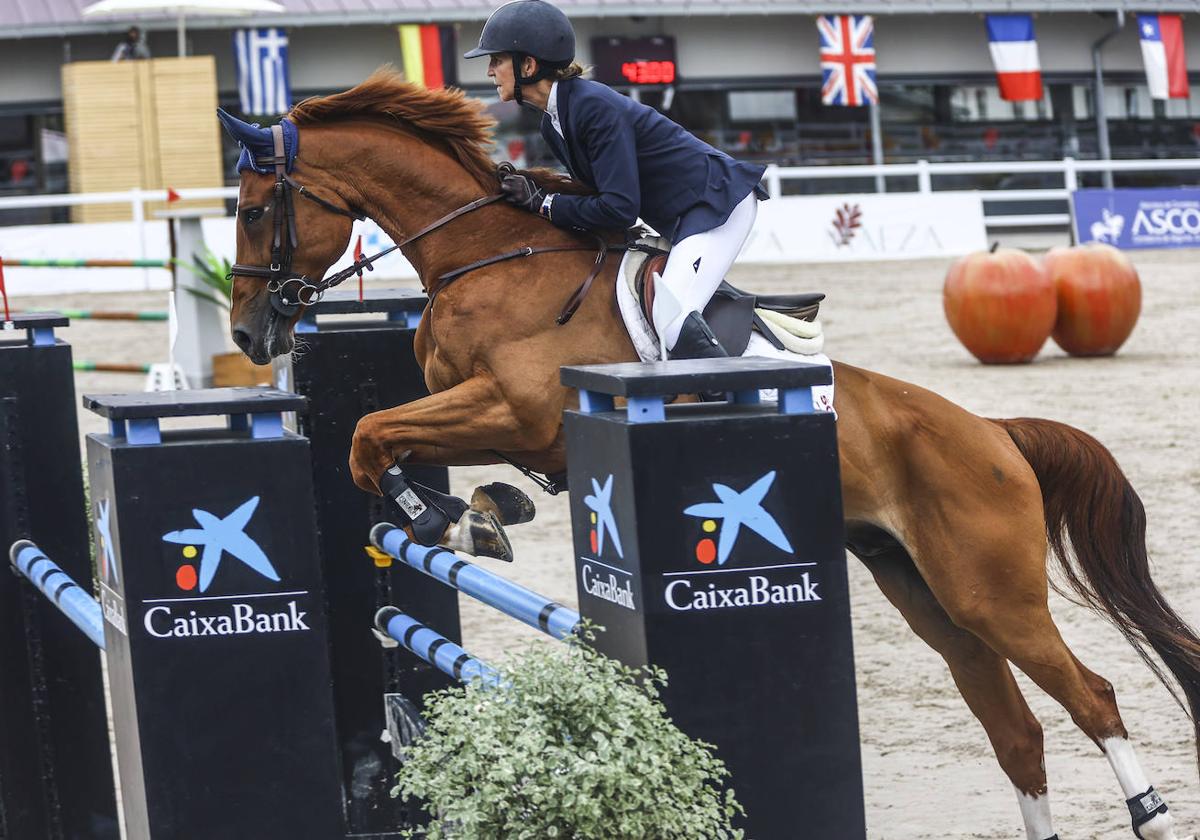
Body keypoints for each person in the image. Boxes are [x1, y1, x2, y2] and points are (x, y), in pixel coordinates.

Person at [465, 0, 768, 360]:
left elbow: (620, 208)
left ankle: (743, 407)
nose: (489, 71)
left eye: (496, 60)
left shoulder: (592, 107)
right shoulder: (554, 121)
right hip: (685, 215)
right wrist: (538, 195)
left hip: (716, 207)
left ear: (528, 65)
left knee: (670, 319)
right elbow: (595, 194)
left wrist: (543, 203)